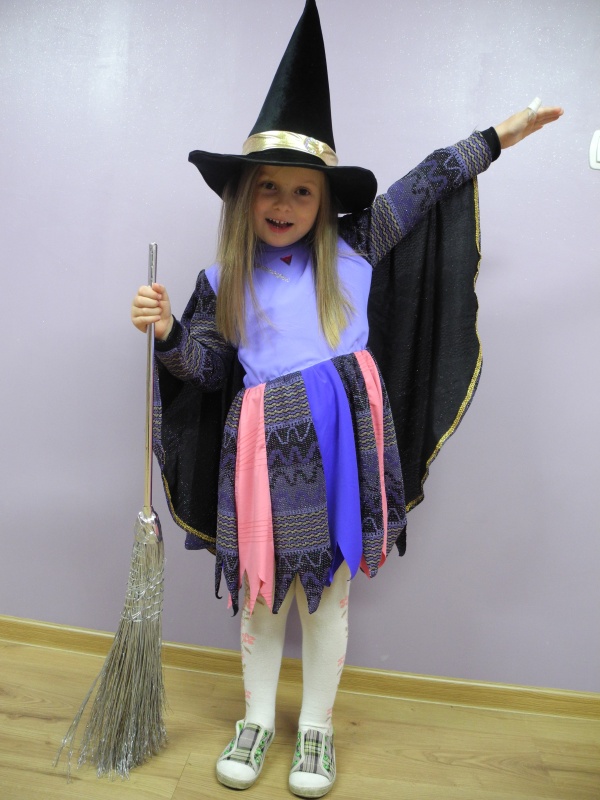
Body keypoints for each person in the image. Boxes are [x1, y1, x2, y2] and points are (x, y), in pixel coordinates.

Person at [130, 2, 562, 797]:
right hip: (261, 452)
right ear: (245, 196)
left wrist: (496, 138)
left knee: (326, 600)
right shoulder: (223, 282)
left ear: (326, 201)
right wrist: (167, 334)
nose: (284, 203)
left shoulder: (358, 247)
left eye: (302, 190)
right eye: (269, 188)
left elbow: (425, 184)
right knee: (262, 598)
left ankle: (317, 730)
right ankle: (256, 720)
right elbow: (205, 367)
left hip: (341, 446)